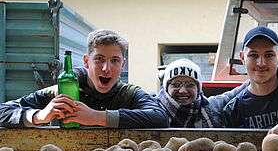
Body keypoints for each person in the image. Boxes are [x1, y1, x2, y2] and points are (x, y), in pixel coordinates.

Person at [0, 29, 169, 128]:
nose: (106, 68)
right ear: (87, 62)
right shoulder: (61, 93)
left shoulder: (129, 93)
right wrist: (39, 116)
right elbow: (3, 111)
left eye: (114, 61)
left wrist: (98, 117)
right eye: (99, 59)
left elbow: (160, 118)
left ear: (123, 65)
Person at [157, 58, 278, 128]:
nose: (183, 91)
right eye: (175, 84)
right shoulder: (154, 109)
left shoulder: (211, 106)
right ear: (165, 86)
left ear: (199, 88)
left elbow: (249, 84)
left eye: (190, 85)